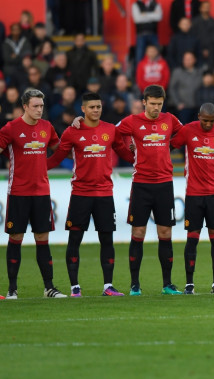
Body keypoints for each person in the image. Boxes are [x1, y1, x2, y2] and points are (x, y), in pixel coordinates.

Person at [46, 92, 135, 297]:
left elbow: (125, 153)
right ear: (83, 109)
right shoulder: (71, 132)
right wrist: (37, 167)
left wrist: (143, 154)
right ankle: (75, 287)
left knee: (107, 239)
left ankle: (108, 286)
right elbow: (58, 156)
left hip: (104, 194)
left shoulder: (110, 130)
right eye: (92, 107)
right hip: (81, 194)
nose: (96, 110)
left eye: (98, 106)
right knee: (75, 239)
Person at [116, 84, 186, 296]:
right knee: (138, 232)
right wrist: (128, 151)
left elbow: (186, 133)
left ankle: (167, 284)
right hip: (141, 185)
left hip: (165, 184)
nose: (156, 107)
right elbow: (111, 134)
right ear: (143, 102)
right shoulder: (132, 121)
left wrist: (171, 146)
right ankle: (135, 285)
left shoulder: (170, 120)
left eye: (159, 104)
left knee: (165, 232)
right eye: (152, 103)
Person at [0, 89, 63, 299]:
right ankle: (12, 290)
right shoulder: (11, 128)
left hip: (42, 192)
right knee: (16, 237)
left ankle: (49, 288)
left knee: (42, 238)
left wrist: (46, 166)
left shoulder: (47, 127)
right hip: (18, 192)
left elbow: (60, 150)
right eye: (35, 106)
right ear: (25, 106)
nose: (39, 110)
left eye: (41, 106)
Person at [170, 103, 214, 295]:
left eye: (211, 121)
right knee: (192, 239)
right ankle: (189, 284)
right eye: (205, 120)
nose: (208, 124)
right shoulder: (188, 130)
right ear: (199, 116)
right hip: (194, 194)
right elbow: (170, 146)